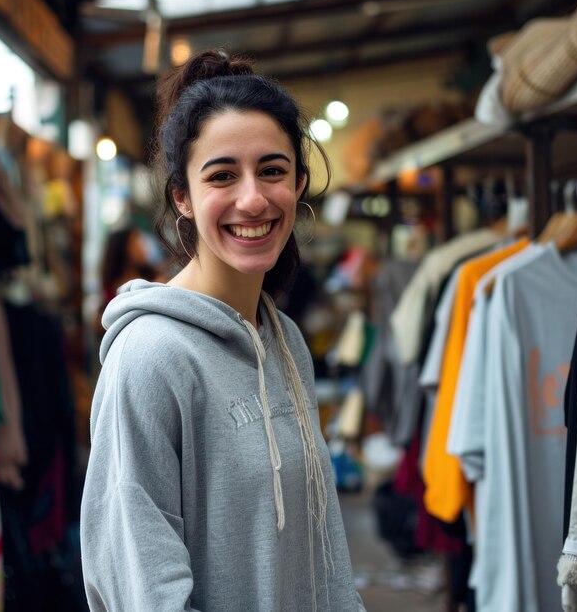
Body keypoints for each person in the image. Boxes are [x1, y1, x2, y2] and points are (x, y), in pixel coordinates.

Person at [80, 49, 365, 611]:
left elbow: (322, 549)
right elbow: (143, 588)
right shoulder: (150, 356)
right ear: (182, 196)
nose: (253, 198)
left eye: (273, 170)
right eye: (222, 175)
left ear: (299, 183)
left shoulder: (285, 343)